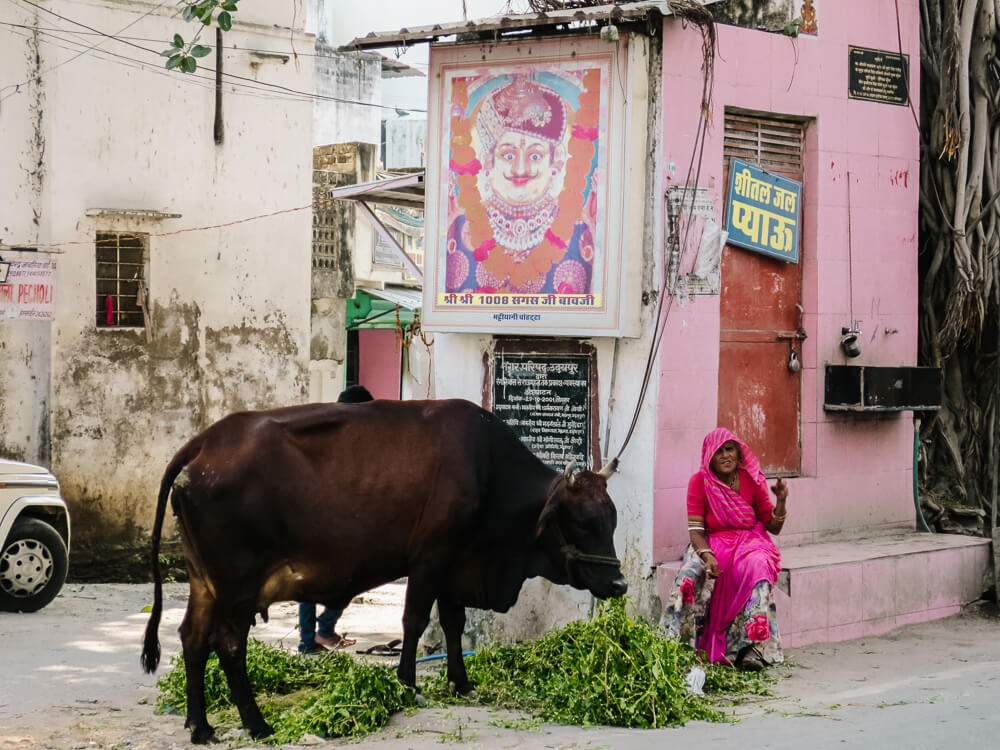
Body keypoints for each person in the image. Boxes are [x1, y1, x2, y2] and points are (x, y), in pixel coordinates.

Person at [445, 71, 600, 295]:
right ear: (488, 160)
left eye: (535, 156)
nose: (520, 169)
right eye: (508, 155)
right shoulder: (459, 227)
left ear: (556, 161)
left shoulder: (580, 232)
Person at [663, 428, 789, 671]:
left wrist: (781, 502)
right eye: (718, 451)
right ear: (709, 456)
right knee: (688, 576)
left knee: (759, 565)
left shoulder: (752, 480)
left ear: (738, 452)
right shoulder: (699, 482)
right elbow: (696, 532)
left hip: (749, 544)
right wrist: (707, 555)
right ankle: (675, 645)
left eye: (729, 449)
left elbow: (773, 527)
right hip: (709, 545)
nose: (725, 456)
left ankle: (751, 648)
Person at [297, 384, 374, 654]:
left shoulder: (325, 431)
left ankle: (310, 639)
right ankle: (325, 629)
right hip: (332, 518)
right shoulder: (351, 437)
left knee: (308, 581)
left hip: (310, 513)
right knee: (353, 575)